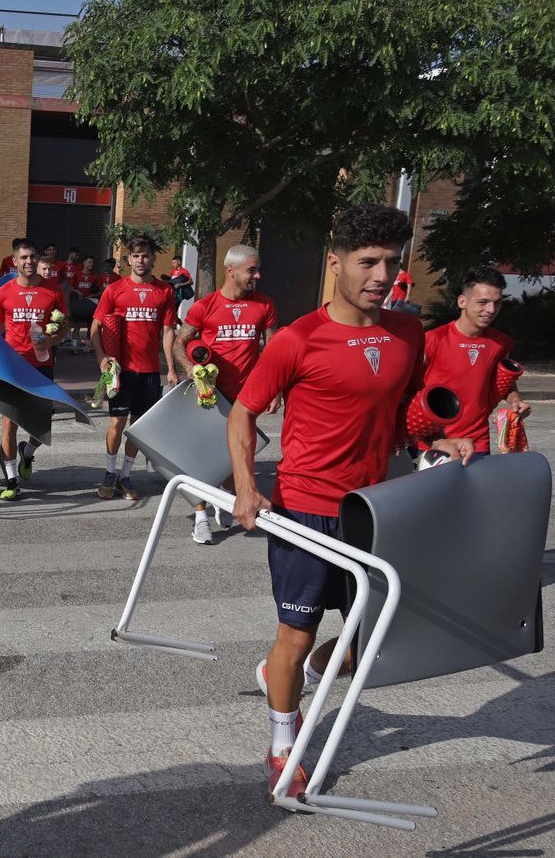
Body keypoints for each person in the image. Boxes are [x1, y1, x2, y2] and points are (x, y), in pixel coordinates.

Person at [227, 204, 474, 797]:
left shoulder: (408, 332)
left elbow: (405, 408)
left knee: (375, 632)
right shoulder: (297, 339)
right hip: (305, 508)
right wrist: (245, 486)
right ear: (335, 263)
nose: (382, 275)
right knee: (297, 634)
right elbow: (243, 412)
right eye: (368, 262)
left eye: (392, 262)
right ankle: (283, 745)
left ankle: (304, 674)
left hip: (373, 507)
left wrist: (438, 437)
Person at [176, 244, 278, 544]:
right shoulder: (204, 306)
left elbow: (273, 350)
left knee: (239, 454)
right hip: (209, 395)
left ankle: (228, 496)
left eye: (257, 269)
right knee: (203, 456)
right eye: (252, 270)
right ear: (230, 271)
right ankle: (200, 517)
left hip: (245, 398)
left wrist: (276, 388)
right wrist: (191, 369)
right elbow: (180, 343)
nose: (257, 275)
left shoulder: (265, 304)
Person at [91, 234, 180, 500]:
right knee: (117, 423)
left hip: (150, 372)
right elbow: (96, 328)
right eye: (136, 256)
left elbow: (167, 332)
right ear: (129, 259)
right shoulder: (114, 290)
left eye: (145, 255)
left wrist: (171, 368)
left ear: (153, 258)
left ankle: (126, 476)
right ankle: (109, 472)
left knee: (138, 429)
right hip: (120, 371)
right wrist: (101, 358)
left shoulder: (165, 291)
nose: (141, 260)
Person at [422, 265, 529, 455]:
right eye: (483, 302)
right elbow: (408, 391)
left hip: (477, 441)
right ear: (462, 301)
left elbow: (504, 382)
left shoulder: (501, 342)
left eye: (497, 303)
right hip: (437, 442)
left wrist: (515, 400)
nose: (490, 309)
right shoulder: (432, 340)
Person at [0, 240, 67, 500]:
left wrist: (52, 340)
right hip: (13, 366)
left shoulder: (53, 291)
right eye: (23, 258)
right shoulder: (4, 292)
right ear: (15, 262)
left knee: (43, 424)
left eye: (33, 256)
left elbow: (65, 326)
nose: (29, 262)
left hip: (42, 365)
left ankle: (28, 452)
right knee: (9, 422)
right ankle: (12, 480)